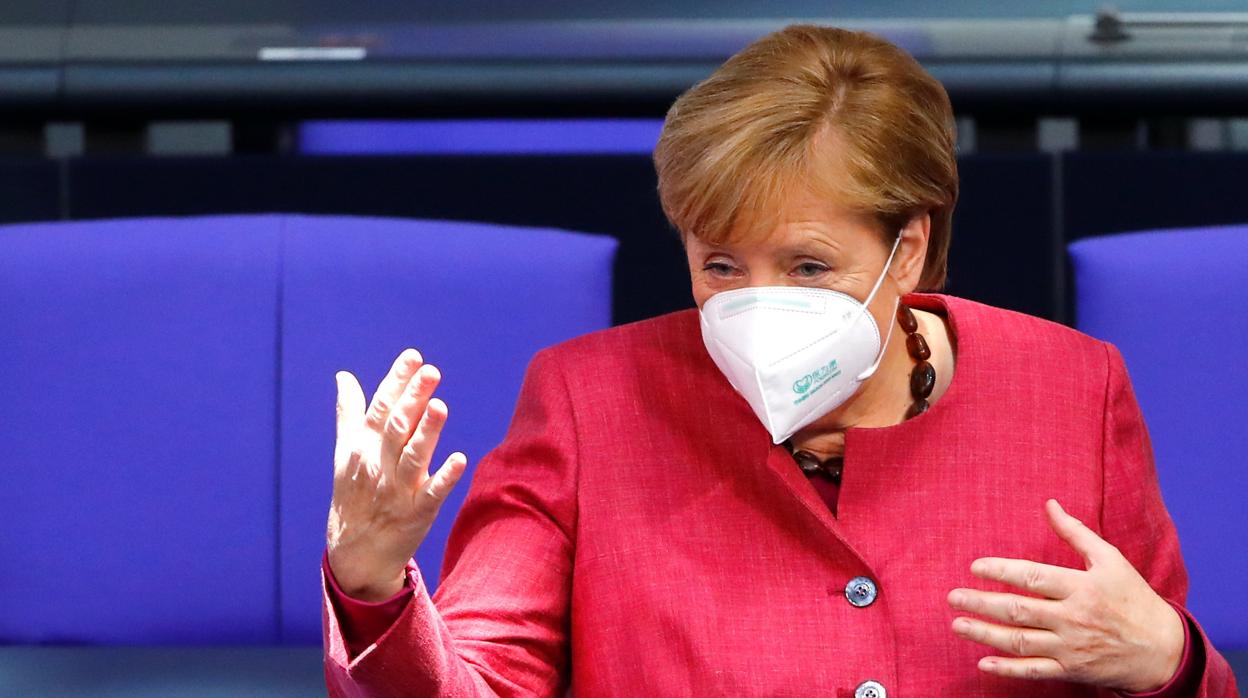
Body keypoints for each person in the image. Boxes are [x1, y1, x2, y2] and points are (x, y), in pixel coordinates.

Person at [320, 24, 1239, 697]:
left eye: (807, 267)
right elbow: (479, 683)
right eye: (722, 266)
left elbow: (1168, 667)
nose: (759, 305)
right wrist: (372, 589)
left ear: (909, 250)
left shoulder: (1072, 389)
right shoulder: (587, 403)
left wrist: (1165, 660)